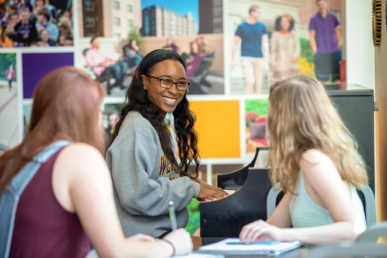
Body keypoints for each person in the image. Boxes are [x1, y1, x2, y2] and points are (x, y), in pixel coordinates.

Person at [0, 67, 193, 257]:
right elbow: (116, 253)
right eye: (98, 112)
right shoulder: (79, 157)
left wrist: (125, 244)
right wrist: (171, 245)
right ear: (85, 115)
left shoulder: (11, 158)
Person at [106, 49, 229, 239]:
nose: (174, 90)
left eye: (181, 83)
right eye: (165, 81)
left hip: (161, 240)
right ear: (145, 82)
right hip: (144, 247)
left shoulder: (157, 123)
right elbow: (137, 195)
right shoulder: (137, 128)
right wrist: (190, 188)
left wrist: (193, 182)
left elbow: (159, 177)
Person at [239, 75, 368, 245]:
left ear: (286, 118)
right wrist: (258, 232)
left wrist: (281, 235)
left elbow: (352, 229)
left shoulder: (314, 161)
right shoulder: (301, 165)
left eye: (272, 111)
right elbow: (275, 226)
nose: (267, 118)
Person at [231, 5, 269, 94]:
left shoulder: (262, 26)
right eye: (258, 12)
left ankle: (256, 103)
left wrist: (267, 53)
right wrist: (232, 60)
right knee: (249, 81)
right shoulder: (241, 26)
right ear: (252, 12)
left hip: (259, 57)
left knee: (258, 83)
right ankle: (248, 102)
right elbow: (234, 43)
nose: (260, 14)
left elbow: (265, 41)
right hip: (246, 57)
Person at [309, 0, 341, 83]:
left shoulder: (333, 17)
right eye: (319, 4)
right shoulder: (313, 19)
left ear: (326, 4)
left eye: (322, 4)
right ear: (317, 6)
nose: (321, 6)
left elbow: (337, 32)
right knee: (324, 80)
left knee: (337, 78)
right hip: (321, 52)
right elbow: (311, 36)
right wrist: (315, 52)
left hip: (334, 51)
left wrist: (337, 46)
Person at [271, 14, 300, 81]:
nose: (285, 23)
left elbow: (297, 47)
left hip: (292, 65)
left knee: (293, 84)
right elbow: (273, 51)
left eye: (287, 21)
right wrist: (273, 64)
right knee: (281, 84)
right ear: (279, 23)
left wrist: (295, 55)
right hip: (280, 65)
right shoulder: (275, 35)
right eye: (283, 21)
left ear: (290, 23)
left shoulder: (293, 35)